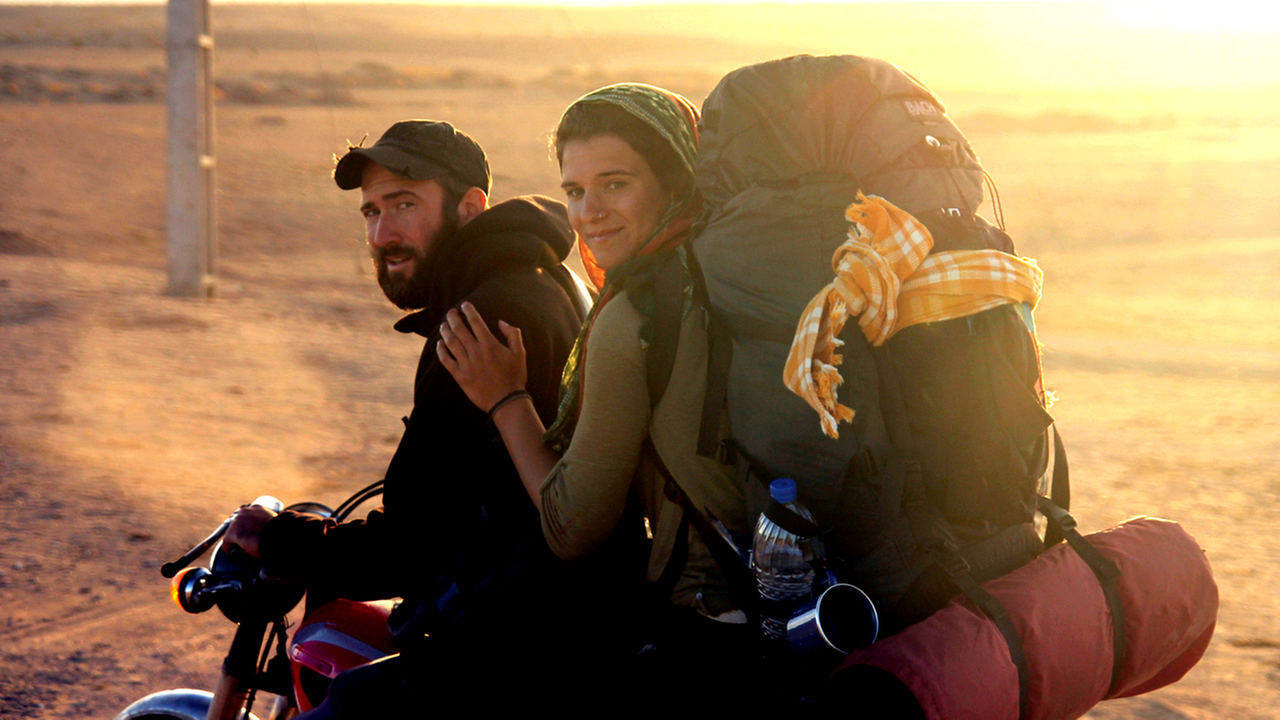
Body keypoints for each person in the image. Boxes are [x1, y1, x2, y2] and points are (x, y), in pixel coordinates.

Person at [224, 120, 633, 715]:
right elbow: (466, 496)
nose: (384, 232)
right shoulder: (542, 279)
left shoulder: (479, 320)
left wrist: (281, 540)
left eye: (404, 204)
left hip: (513, 646)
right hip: (563, 613)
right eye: (370, 212)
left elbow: (417, 548)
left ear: (470, 208)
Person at [437, 84, 755, 711]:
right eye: (575, 191)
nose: (589, 213)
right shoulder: (725, 275)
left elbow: (571, 526)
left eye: (616, 184)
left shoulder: (637, 311)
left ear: (674, 181)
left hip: (707, 634)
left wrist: (505, 399)